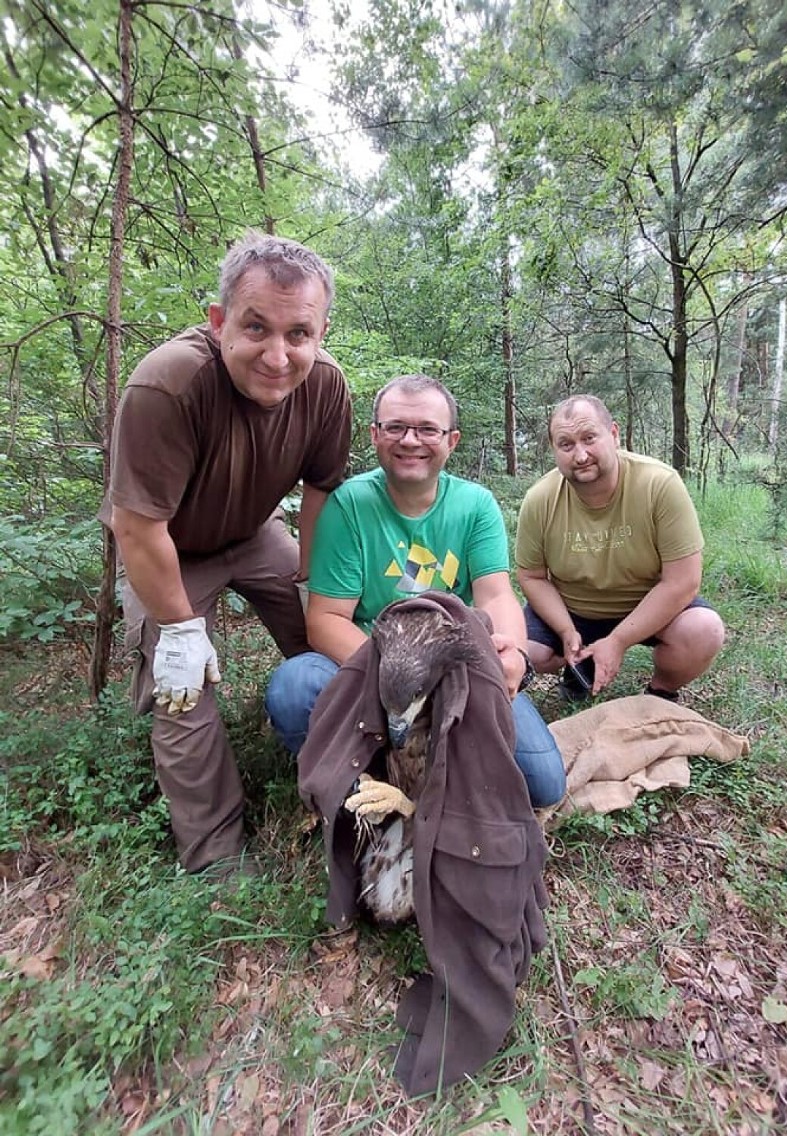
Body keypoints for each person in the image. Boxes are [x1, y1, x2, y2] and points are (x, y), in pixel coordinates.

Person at [101, 231, 352, 875]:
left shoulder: (325, 387)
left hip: (255, 531)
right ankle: (215, 853)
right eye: (255, 327)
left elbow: (322, 485)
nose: (277, 354)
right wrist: (182, 632)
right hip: (169, 548)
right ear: (219, 324)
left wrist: (310, 573)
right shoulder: (170, 384)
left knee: (324, 631)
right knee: (181, 687)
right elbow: (138, 528)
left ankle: (352, 761)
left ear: (321, 331)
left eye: (299, 333)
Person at [265, 374, 566, 808]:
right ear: (375, 435)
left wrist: (513, 655)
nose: (411, 441)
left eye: (427, 429)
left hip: (456, 668)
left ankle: (430, 775)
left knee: (543, 784)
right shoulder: (348, 505)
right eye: (395, 427)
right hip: (371, 663)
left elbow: (496, 595)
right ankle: (360, 791)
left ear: (452, 440)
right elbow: (326, 621)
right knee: (295, 688)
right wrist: (403, 684)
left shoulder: (476, 505)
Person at [516, 394, 724, 701]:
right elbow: (531, 576)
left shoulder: (659, 484)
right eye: (566, 444)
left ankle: (661, 692)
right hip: (572, 609)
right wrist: (564, 630)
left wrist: (619, 640)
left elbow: (683, 581)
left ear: (613, 435)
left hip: (646, 605)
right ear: (554, 450)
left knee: (703, 630)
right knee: (520, 649)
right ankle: (579, 667)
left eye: (590, 438)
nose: (581, 455)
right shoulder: (540, 500)